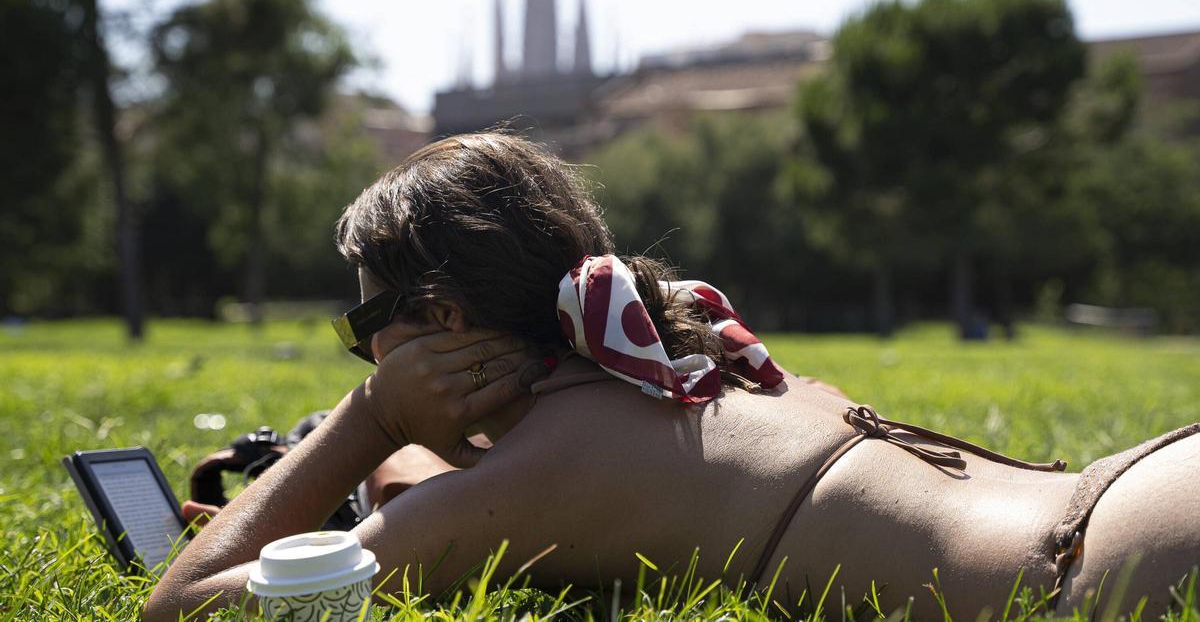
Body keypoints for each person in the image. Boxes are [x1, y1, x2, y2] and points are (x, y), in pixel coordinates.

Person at [144, 133, 1200, 621]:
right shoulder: (686, 365)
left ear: (437, 322)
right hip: (1132, 498)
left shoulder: (539, 475)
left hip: (1095, 585)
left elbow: (181, 608)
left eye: (363, 328)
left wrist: (369, 416)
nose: (364, 359)